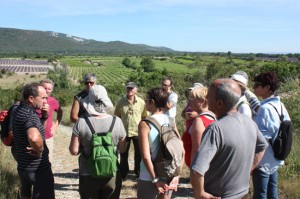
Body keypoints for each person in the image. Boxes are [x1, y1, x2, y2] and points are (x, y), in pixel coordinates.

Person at [190, 78, 268, 199]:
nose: (207, 100)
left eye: (209, 96)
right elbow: (262, 146)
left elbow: (197, 170)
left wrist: (200, 194)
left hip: (218, 196)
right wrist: (248, 169)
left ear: (220, 103)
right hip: (243, 194)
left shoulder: (215, 129)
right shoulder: (249, 122)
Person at [69, 85, 127, 199]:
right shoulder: (117, 121)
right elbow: (123, 149)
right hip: (111, 172)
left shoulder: (81, 122)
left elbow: (74, 151)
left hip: (87, 173)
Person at [137, 87, 182, 199]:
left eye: (146, 100)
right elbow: (181, 150)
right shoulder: (171, 121)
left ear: (152, 102)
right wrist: (177, 175)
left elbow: (146, 156)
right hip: (169, 173)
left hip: (148, 175)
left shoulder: (145, 124)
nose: (145, 102)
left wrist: (155, 179)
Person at [252, 71, 291, 199]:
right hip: (275, 157)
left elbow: (262, 141)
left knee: (260, 195)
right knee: (272, 192)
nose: (254, 87)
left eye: (257, 85)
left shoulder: (265, 108)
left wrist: (253, 164)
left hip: (263, 160)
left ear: (268, 88)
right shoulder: (279, 105)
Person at [12, 82, 54, 199]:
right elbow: (34, 137)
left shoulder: (18, 110)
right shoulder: (30, 115)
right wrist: (40, 150)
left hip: (23, 166)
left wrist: (44, 116)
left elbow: (37, 129)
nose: (46, 101)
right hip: (38, 170)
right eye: (43, 98)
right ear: (31, 98)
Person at [114, 81, 147, 179]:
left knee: (139, 154)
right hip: (124, 132)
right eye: (128, 88)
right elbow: (117, 117)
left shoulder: (141, 102)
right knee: (123, 153)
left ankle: (138, 173)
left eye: (132, 88)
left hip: (138, 132)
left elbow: (144, 117)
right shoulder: (121, 102)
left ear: (136, 90)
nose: (130, 90)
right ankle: (123, 174)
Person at [187, 86, 215, 168]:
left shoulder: (199, 121)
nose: (190, 100)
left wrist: (194, 172)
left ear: (202, 101)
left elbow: (197, 150)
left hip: (199, 168)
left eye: (192, 98)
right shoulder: (213, 116)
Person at [36, 79, 63, 163]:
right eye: (45, 88)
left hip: (48, 137)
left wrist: (55, 125)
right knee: (35, 162)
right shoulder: (34, 101)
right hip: (34, 137)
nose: (47, 91)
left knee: (48, 162)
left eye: (49, 89)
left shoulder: (52, 101)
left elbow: (60, 111)